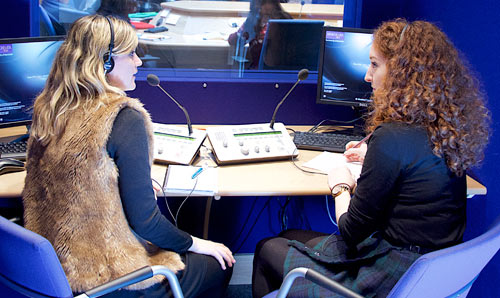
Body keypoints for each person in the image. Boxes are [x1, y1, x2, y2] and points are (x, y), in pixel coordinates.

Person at [252, 19, 490, 297]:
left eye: (375, 64)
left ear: (403, 73)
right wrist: (373, 158)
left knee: (267, 248)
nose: (367, 76)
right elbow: (415, 174)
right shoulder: (445, 130)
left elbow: (350, 232)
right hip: (428, 274)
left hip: (391, 276)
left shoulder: (392, 137)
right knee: (287, 237)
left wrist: (340, 185)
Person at [22, 14, 235, 298]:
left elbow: (77, 180)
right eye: (131, 54)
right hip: (110, 280)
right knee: (218, 262)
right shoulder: (122, 117)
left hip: (55, 274)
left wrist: (127, 187)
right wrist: (198, 243)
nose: (139, 62)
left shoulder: (50, 107)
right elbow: (147, 223)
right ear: (104, 61)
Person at [228, 0, 292, 69]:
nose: (266, 7)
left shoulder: (282, 21)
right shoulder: (253, 20)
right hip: (257, 70)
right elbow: (233, 40)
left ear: (275, 3)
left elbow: (272, 60)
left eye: (269, 2)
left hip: (276, 71)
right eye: (262, 3)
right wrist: (247, 27)